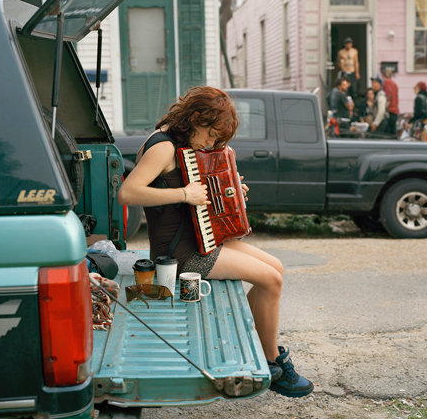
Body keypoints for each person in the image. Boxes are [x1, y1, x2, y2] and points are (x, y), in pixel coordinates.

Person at [117, 86, 314, 398]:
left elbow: (194, 196)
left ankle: (254, 345)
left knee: (275, 267)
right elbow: (128, 193)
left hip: (198, 237)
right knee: (271, 281)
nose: (212, 143)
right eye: (211, 135)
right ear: (195, 118)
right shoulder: (163, 147)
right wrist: (183, 194)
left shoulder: (179, 142)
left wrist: (230, 190)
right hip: (180, 253)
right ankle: (272, 362)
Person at [382, 67, 400, 135]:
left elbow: (389, 96)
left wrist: (385, 108)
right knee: (393, 130)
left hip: (390, 110)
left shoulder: (387, 82)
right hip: (395, 109)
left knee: (389, 131)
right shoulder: (394, 84)